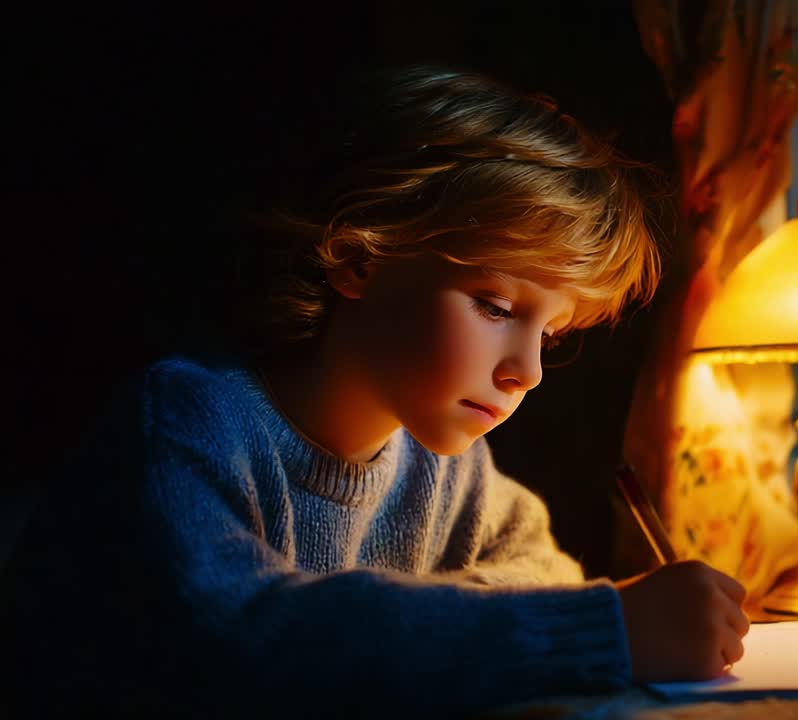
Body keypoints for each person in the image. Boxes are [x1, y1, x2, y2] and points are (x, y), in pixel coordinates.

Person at [1, 65, 749, 716]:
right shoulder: (185, 421)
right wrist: (600, 632)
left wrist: (419, 632)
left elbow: (543, 570)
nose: (528, 370)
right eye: (495, 306)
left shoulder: (442, 462)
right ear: (358, 257)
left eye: (548, 335)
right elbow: (240, 645)